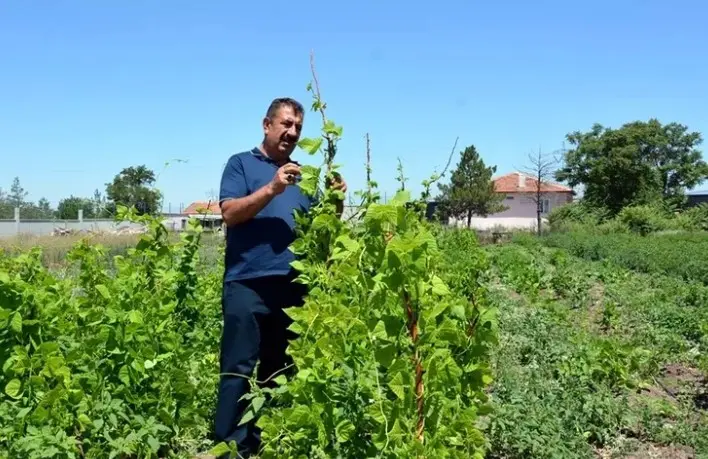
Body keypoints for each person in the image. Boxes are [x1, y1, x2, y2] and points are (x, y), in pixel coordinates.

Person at [214, 97, 346, 457]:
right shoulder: (240, 164)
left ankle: (272, 439)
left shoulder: (302, 177)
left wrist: (335, 203)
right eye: (286, 124)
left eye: (298, 128)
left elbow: (320, 229)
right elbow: (230, 213)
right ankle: (230, 446)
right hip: (247, 284)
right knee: (239, 368)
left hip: (292, 287)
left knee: (281, 368)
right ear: (266, 124)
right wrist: (272, 188)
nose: (292, 132)